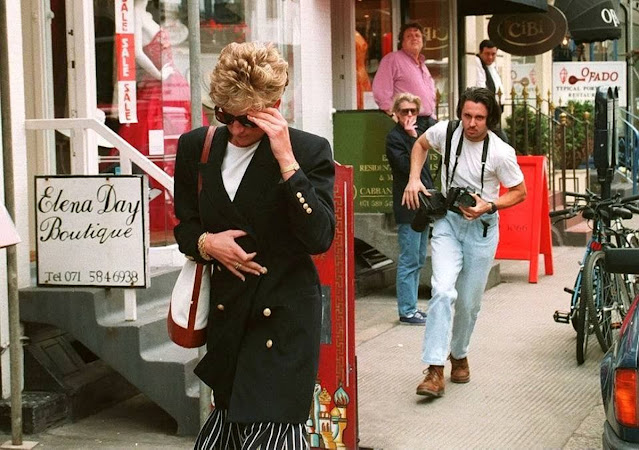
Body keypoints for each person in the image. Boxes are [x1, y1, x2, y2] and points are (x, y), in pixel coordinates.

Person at [173, 42, 335, 449]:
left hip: (283, 322)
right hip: (229, 321)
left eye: (248, 119)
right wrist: (207, 244)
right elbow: (185, 227)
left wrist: (287, 161)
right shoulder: (197, 147)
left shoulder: (308, 150)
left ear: (274, 106)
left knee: (272, 432)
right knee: (229, 426)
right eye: (224, 115)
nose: (236, 129)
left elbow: (320, 237)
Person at [402, 87, 526, 398]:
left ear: (490, 119)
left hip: (482, 229)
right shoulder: (446, 132)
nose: (471, 123)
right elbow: (420, 144)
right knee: (443, 291)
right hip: (448, 221)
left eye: (479, 118)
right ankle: (434, 368)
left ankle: (459, 354)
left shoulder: (500, 152)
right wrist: (414, 178)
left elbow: (519, 192)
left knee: (469, 304)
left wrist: (490, 205)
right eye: (467, 115)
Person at [117, 0, 204, 234]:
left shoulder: (146, 14)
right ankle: (159, 214)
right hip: (159, 85)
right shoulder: (134, 14)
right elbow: (135, 52)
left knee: (178, 150)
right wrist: (158, 74)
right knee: (154, 150)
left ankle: (181, 210)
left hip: (171, 85)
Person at [386, 93, 433, 325]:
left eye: (413, 111)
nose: (410, 115)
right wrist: (413, 138)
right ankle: (406, 310)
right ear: (396, 113)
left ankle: (412, 307)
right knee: (409, 259)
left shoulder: (419, 134)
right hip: (408, 206)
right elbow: (406, 167)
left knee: (419, 258)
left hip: (422, 204)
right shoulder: (395, 138)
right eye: (405, 111)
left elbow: (424, 171)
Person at [372, 22, 437, 134]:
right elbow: (381, 92)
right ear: (402, 42)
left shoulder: (422, 65)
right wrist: (394, 116)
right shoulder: (392, 60)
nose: (414, 38)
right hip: (408, 122)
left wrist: (433, 117)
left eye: (417, 35)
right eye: (409, 36)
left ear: (423, 41)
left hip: (429, 122)